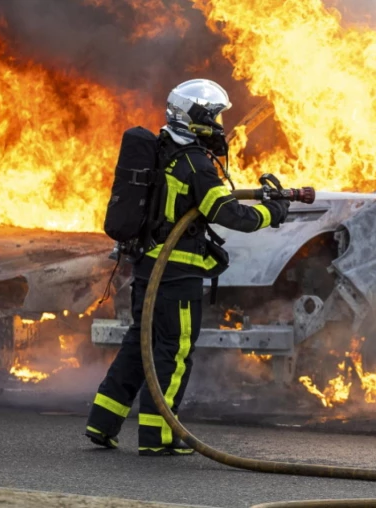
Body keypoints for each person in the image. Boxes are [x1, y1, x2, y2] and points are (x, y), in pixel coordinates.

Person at [85, 79, 289, 456]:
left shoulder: (163, 150)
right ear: (196, 117)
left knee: (138, 344)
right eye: (214, 116)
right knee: (172, 351)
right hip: (176, 276)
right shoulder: (195, 163)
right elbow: (228, 213)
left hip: (148, 268)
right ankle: (159, 437)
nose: (218, 125)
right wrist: (272, 212)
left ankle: (102, 422)